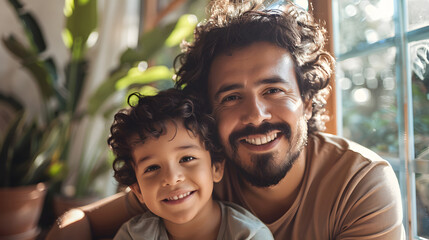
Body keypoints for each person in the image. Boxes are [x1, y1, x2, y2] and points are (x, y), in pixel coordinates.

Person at [47, 1, 405, 239]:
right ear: (209, 111)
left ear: (308, 102)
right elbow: (85, 220)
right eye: (232, 97)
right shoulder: (191, 172)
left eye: (274, 90)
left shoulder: (361, 184)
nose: (256, 115)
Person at [108, 88, 273, 240]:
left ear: (215, 167)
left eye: (186, 159)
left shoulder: (250, 236)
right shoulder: (133, 236)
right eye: (152, 168)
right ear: (138, 191)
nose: (172, 178)